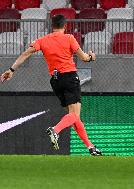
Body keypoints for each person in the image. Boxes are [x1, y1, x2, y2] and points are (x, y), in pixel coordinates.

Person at [0, 14, 102, 156]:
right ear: (65, 26)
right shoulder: (69, 38)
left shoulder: (43, 40)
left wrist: (11, 70)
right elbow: (84, 58)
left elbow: (25, 53)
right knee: (74, 114)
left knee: (73, 117)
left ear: (51, 26)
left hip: (55, 80)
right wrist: (92, 57)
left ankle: (90, 147)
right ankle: (55, 130)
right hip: (70, 78)